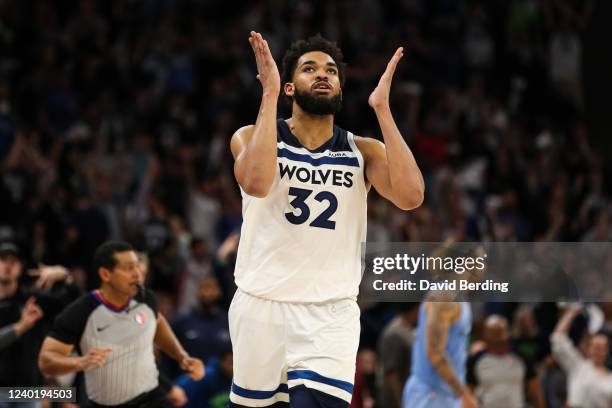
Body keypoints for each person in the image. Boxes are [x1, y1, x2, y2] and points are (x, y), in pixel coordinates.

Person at [228, 31, 424, 407]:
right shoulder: (251, 135)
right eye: (309, 69)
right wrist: (266, 94)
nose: (323, 75)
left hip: (330, 314)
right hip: (261, 307)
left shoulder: (362, 150)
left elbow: (411, 196)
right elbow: (255, 181)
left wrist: (382, 109)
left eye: (331, 70)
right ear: (289, 87)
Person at [38, 241, 204, 407]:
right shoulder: (82, 311)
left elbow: (158, 323)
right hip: (88, 394)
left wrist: (181, 356)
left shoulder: (146, 299)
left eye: (140, 269)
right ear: (105, 274)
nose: (138, 275)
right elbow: (46, 361)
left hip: (149, 397)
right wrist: (79, 365)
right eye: (129, 268)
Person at [0, 242, 80, 408]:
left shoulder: (33, 299)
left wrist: (65, 276)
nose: (8, 265)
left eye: (13, 261)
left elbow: (78, 306)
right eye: (2, 259)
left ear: (20, 268)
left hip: (28, 390)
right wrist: (20, 327)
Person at [467, 315, 545, 408]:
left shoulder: (522, 358)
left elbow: (535, 391)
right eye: (494, 340)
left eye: (500, 340)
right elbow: (469, 393)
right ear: (486, 339)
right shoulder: (475, 360)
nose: (498, 344)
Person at [550, 304, 612, 407]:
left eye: (601, 348)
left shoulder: (610, 378)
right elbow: (558, 339)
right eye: (595, 347)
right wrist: (572, 312)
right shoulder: (578, 366)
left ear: (607, 351)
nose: (597, 351)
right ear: (589, 349)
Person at [377, 302, 419, 408]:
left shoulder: (410, 330)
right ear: (415, 309)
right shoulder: (394, 334)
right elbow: (391, 375)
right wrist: (401, 404)